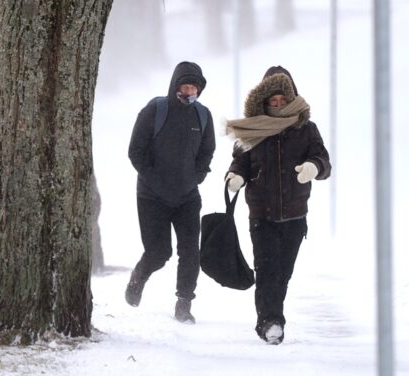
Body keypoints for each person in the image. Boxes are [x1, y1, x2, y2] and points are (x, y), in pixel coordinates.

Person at [225, 66, 331, 344]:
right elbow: (240, 161)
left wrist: (313, 167)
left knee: (282, 273)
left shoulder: (306, 129)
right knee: (267, 270)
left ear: (291, 97)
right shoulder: (252, 129)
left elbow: (324, 160)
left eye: (283, 99)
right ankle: (270, 322)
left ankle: (271, 316)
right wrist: (235, 176)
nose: (278, 104)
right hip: (261, 214)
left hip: (296, 216)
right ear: (263, 100)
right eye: (273, 100)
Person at [127, 61, 215, 324]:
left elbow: (207, 151)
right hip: (152, 196)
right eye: (185, 86)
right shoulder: (155, 110)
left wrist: (196, 176)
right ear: (175, 85)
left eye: (194, 87)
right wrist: (154, 179)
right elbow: (135, 151)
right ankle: (139, 275)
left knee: (190, 251)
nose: (189, 92)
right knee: (159, 252)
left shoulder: (202, 115)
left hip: (187, 196)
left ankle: (184, 303)